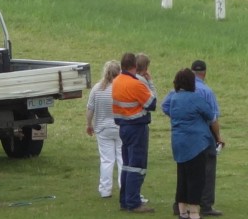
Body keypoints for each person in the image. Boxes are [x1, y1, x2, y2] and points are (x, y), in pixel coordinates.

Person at [162, 69, 218, 219]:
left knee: (182, 177)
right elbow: (210, 115)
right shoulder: (196, 98)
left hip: (178, 142)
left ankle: (182, 212)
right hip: (196, 144)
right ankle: (194, 212)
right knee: (196, 178)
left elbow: (165, 107)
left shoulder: (173, 98)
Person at [112, 52, 156, 213]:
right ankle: (133, 202)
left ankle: (125, 200)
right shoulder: (135, 84)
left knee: (127, 165)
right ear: (135, 66)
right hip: (137, 127)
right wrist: (150, 83)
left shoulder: (116, 81)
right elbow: (152, 103)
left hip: (123, 127)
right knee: (137, 166)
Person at [185, 60, 223, 217]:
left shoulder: (182, 89)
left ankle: (181, 203)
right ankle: (205, 204)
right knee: (208, 166)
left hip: (185, 132)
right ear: (204, 73)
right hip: (204, 132)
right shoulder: (206, 91)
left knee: (186, 168)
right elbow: (213, 118)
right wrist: (219, 137)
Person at [87, 60, 123, 199]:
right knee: (122, 158)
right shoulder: (120, 88)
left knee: (107, 160)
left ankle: (105, 190)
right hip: (120, 127)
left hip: (102, 128)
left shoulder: (97, 88)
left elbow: (90, 109)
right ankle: (123, 187)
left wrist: (88, 124)